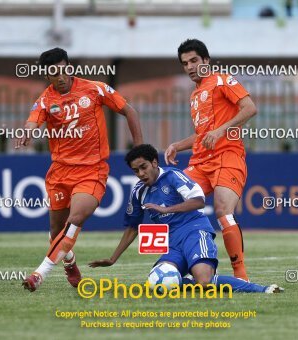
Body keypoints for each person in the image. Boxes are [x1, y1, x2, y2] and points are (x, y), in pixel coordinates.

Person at [16, 47, 143, 292]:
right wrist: (27, 132)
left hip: (92, 171)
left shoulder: (94, 89)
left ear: (69, 67)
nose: (61, 77)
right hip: (60, 173)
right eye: (54, 74)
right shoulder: (46, 99)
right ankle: (70, 263)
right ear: (47, 76)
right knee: (56, 232)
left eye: (64, 70)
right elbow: (33, 120)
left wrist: (140, 149)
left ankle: (39, 274)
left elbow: (129, 110)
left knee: (74, 220)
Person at [89, 144, 283, 294]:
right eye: (136, 171)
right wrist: (113, 259)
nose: (140, 174)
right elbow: (133, 227)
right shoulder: (139, 192)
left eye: (143, 167)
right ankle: (189, 276)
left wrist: (165, 209)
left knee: (204, 282)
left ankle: (261, 288)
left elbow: (198, 201)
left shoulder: (174, 177)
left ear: (155, 163)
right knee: (159, 283)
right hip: (172, 244)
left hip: (195, 232)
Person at [164, 39, 256, 281]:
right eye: (185, 63)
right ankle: (187, 262)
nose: (190, 67)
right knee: (171, 201)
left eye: (194, 60)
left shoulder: (222, 80)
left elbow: (249, 108)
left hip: (227, 155)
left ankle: (240, 274)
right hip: (201, 162)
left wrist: (221, 131)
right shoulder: (195, 96)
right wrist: (177, 145)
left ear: (206, 60)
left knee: (223, 210)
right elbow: (203, 134)